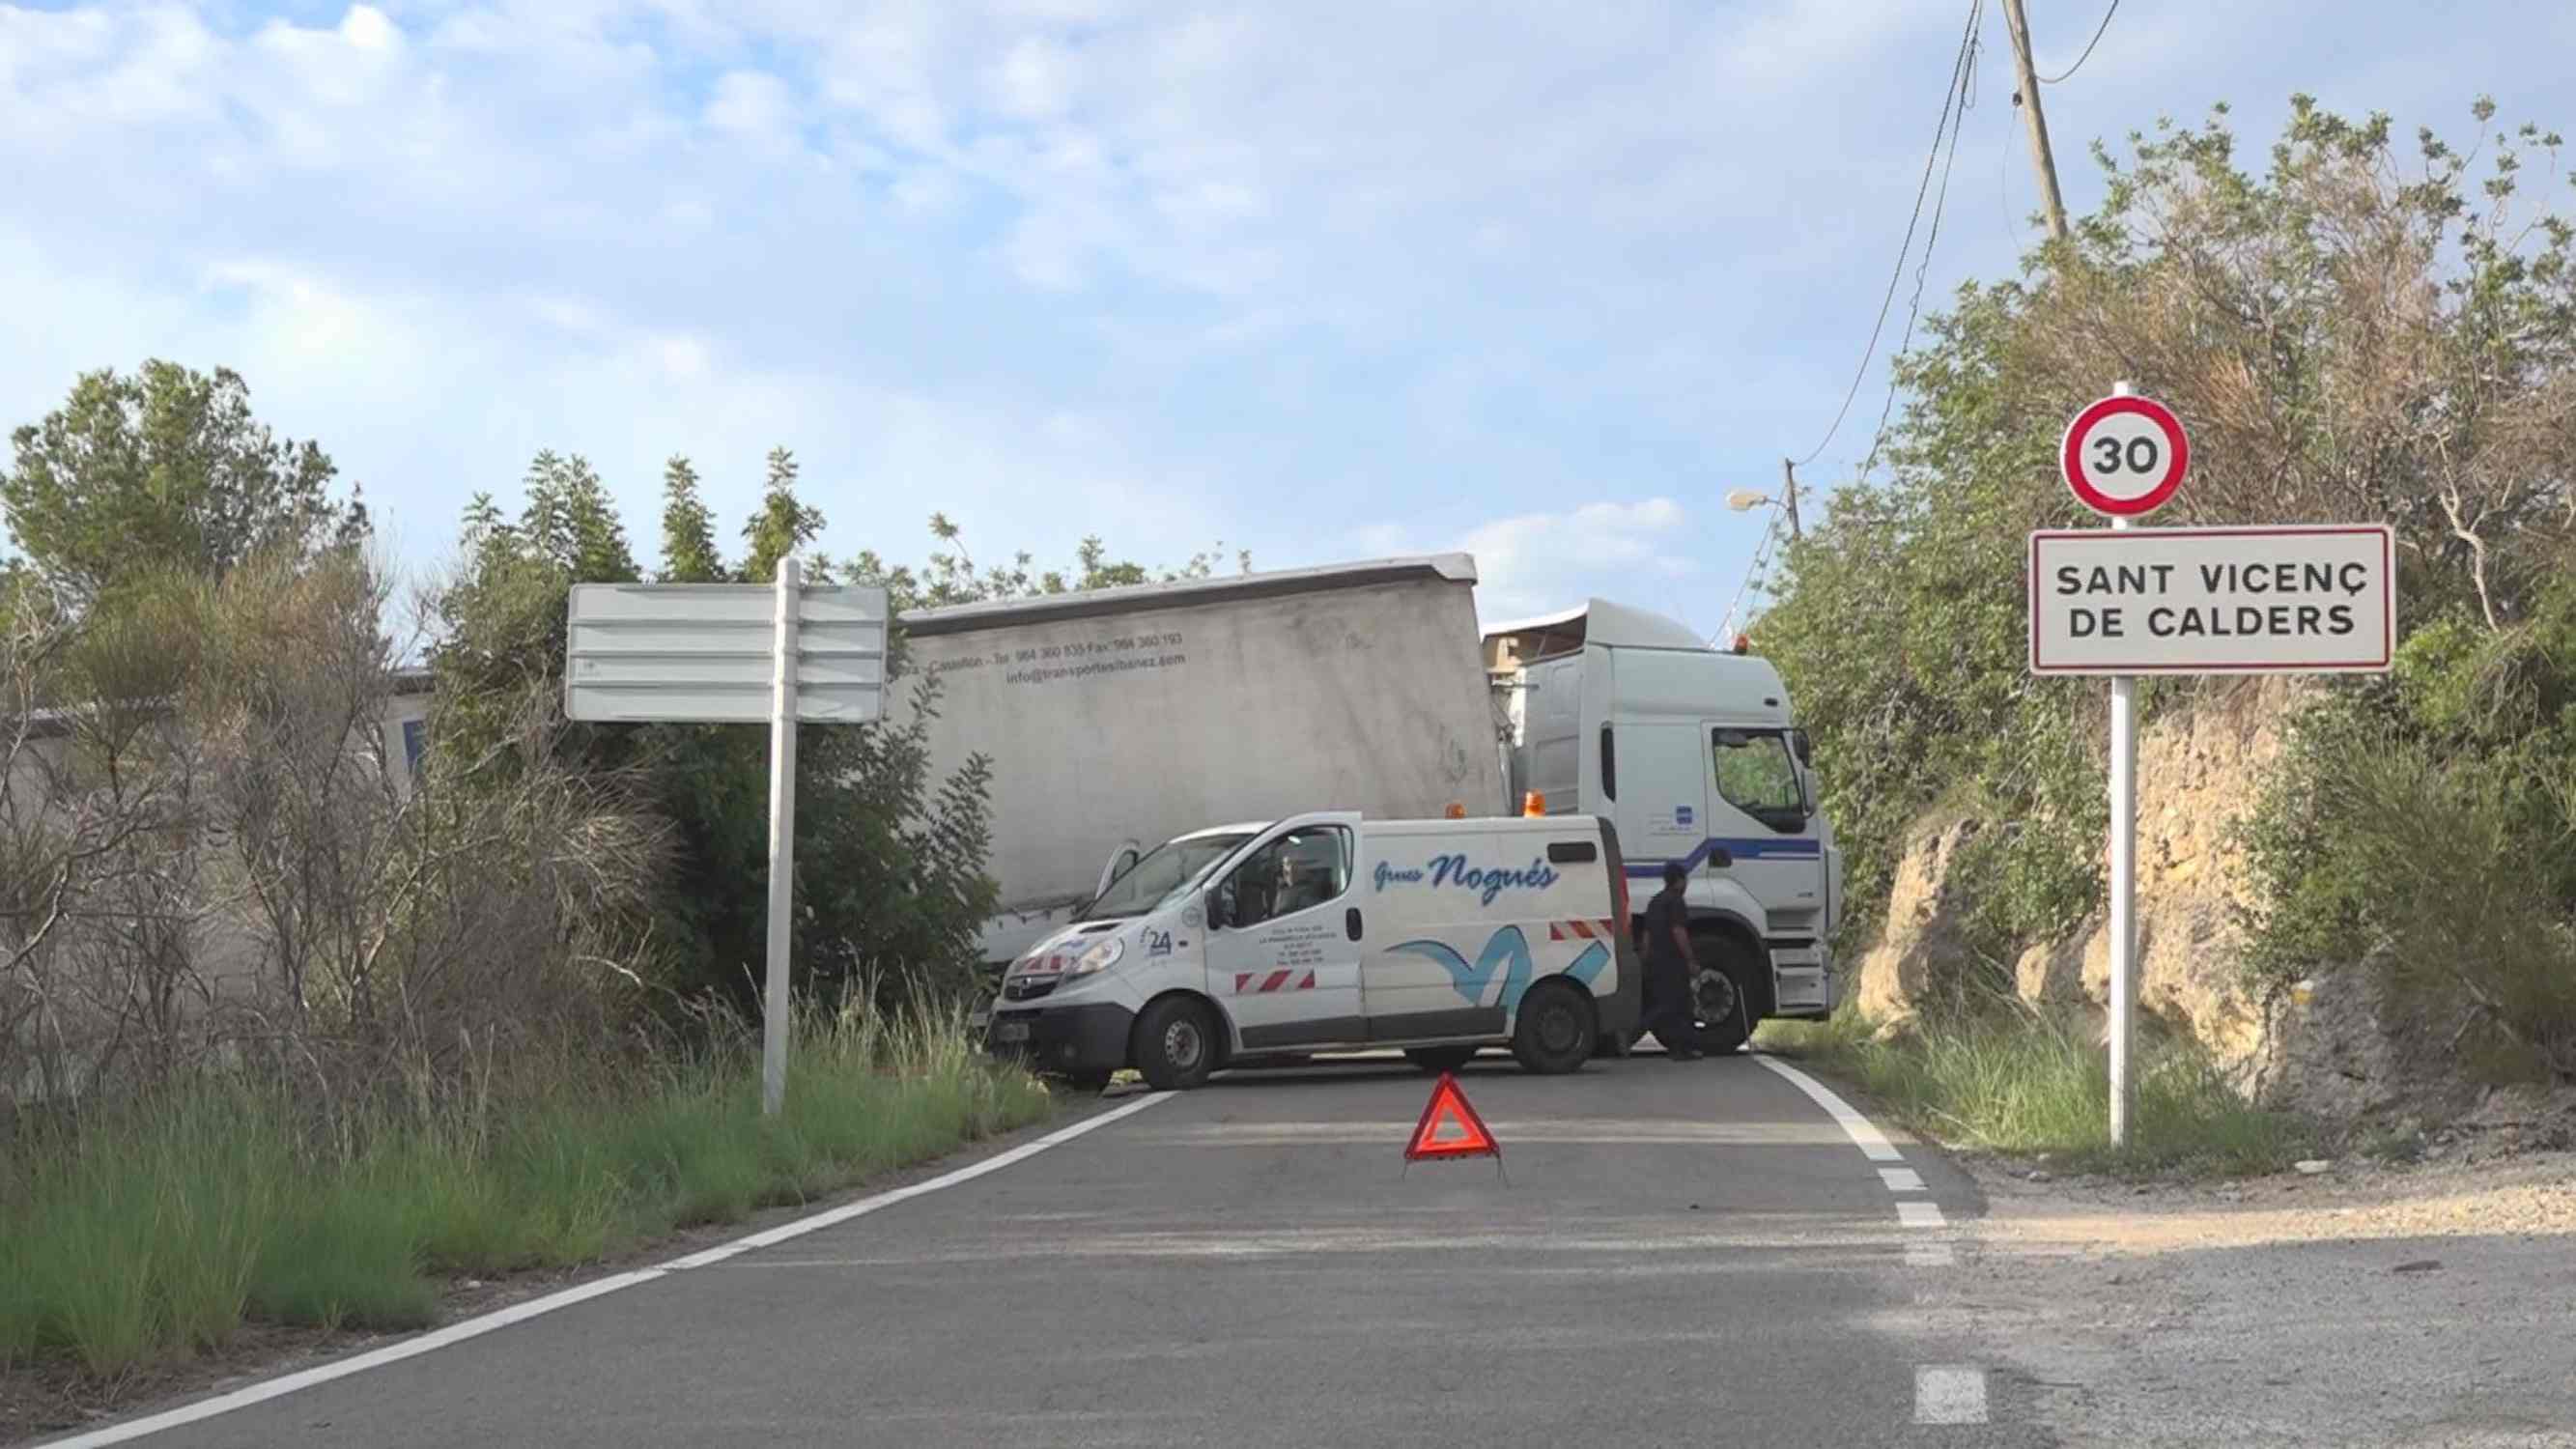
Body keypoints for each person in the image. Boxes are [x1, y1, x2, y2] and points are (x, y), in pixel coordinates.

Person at [1636, 860, 1701, 1061]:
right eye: (1685, 880)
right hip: (1672, 962)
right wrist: (1690, 959)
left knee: (1666, 1005)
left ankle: (1677, 1048)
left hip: (1655, 962)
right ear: (1679, 881)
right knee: (1680, 1006)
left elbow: (1646, 935)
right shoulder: (1676, 902)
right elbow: (1678, 931)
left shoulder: (1654, 902)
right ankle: (1682, 1049)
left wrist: (1644, 960)